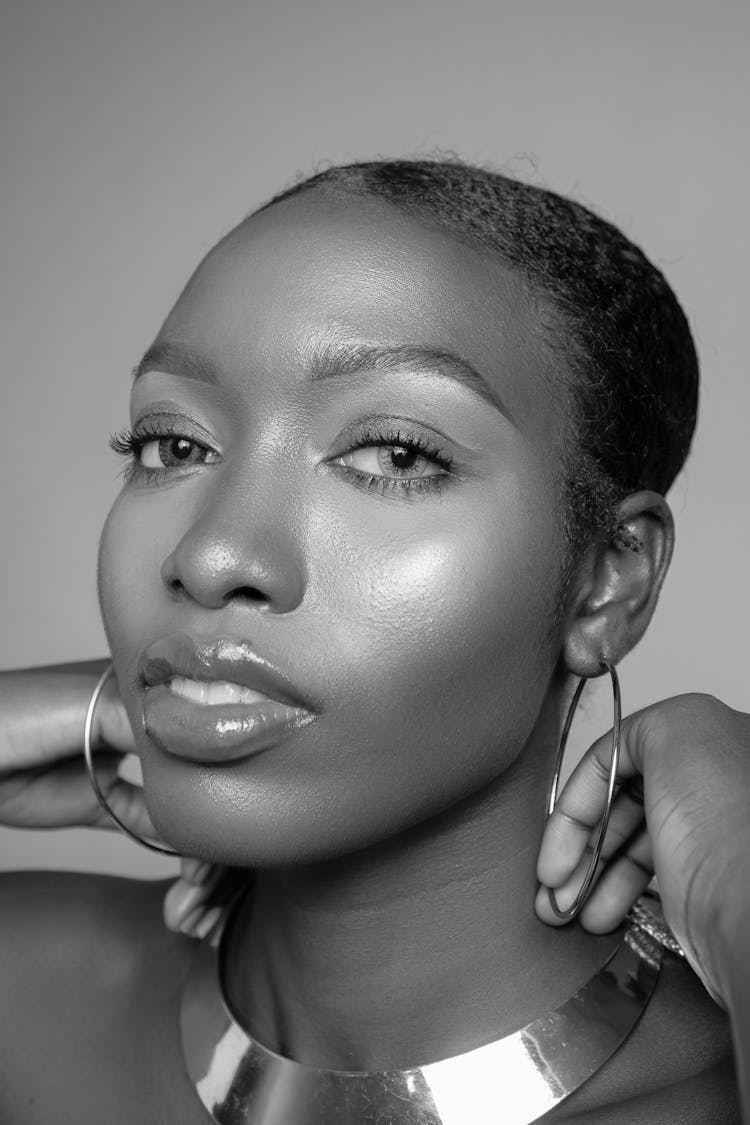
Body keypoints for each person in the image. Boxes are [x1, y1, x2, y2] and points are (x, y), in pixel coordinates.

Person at [0, 159, 748, 1124]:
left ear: (608, 579)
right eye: (172, 444)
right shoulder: (28, 992)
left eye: (395, 454)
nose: (214, 553)